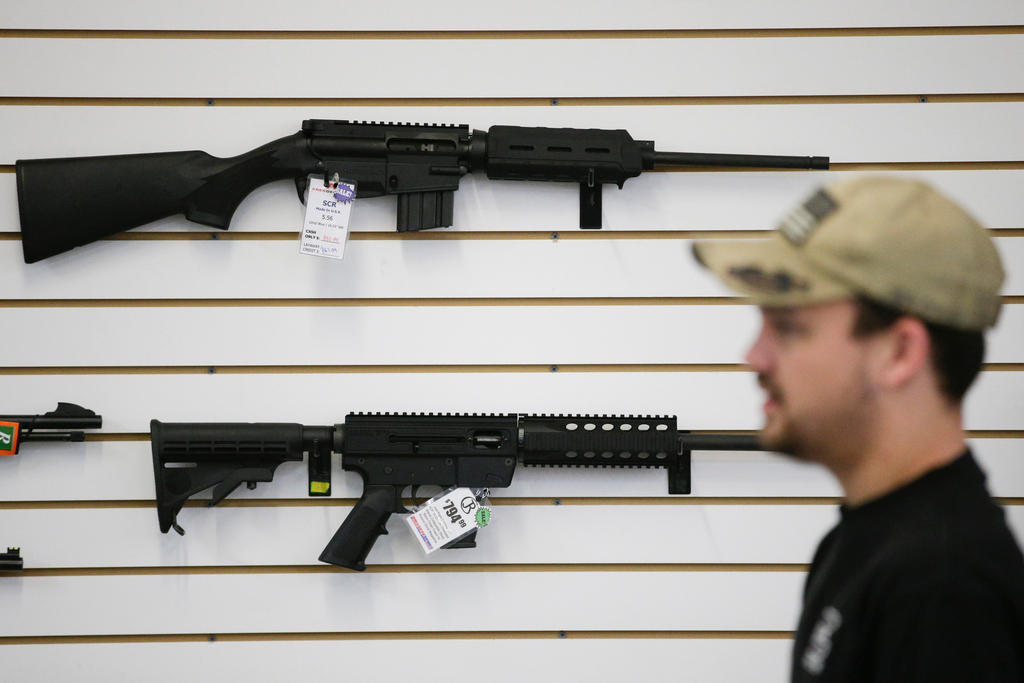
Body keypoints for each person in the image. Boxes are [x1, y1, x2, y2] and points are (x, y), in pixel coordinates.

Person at [692, 176, 1024, 682]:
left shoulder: (943, 587)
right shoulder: (872, 544)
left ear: (901, 352)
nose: (753, 357)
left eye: (787, 327)